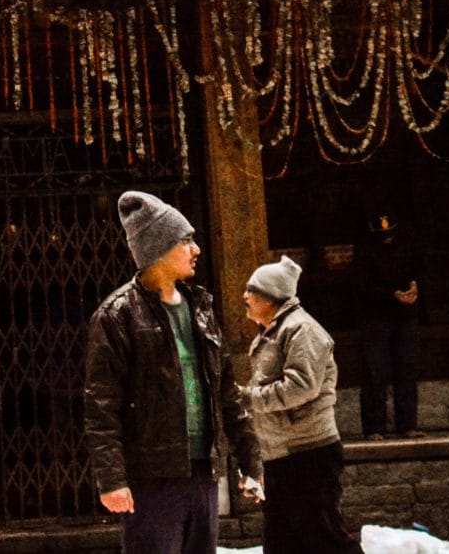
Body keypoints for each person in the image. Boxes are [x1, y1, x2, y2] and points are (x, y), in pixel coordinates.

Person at [84, 190, 261, 554]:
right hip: (152, 478)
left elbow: (227, 393)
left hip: (203, 473)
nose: (196, 249)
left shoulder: (201, 308)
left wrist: (251, 461)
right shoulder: (117, 315)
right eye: (186, 241)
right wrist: (111, 479)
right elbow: (101, 407)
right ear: (158, 249)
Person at [242, 256, 355, 554]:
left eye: (252, 291)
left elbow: (301, 387)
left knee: (325, 538)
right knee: (282, 543)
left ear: (272, 297)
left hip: (308, 453)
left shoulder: (302, 331)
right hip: (281, 453)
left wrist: (247, 398)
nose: (245, 297)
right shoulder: (273, 332)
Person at [353, 210, 420, 439]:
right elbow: (361, 286)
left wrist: (414, 289)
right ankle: (373, 427)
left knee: (407, 368)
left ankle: (408, 423)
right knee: (375, 372)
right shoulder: (365, 249)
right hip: (375, 316)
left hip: (405, 315)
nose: (388, 238)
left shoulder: (408, 242)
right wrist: (391, 295)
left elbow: (420, 270)